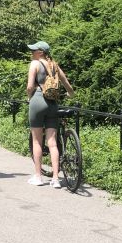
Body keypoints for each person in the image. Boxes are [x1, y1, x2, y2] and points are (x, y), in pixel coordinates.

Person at [26, 40, 74, 188]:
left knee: (37, 141)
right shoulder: (55, 65)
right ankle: (55, 179)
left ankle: (38, 177)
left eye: (34, 50)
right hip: (53, 104)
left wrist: (29, 98)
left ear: (41, 52)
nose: (32, 53)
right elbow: (68, 86)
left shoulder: (35, 64)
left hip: (38, 102)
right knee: (52, 143)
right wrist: (70, 95)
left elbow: (29, 86)